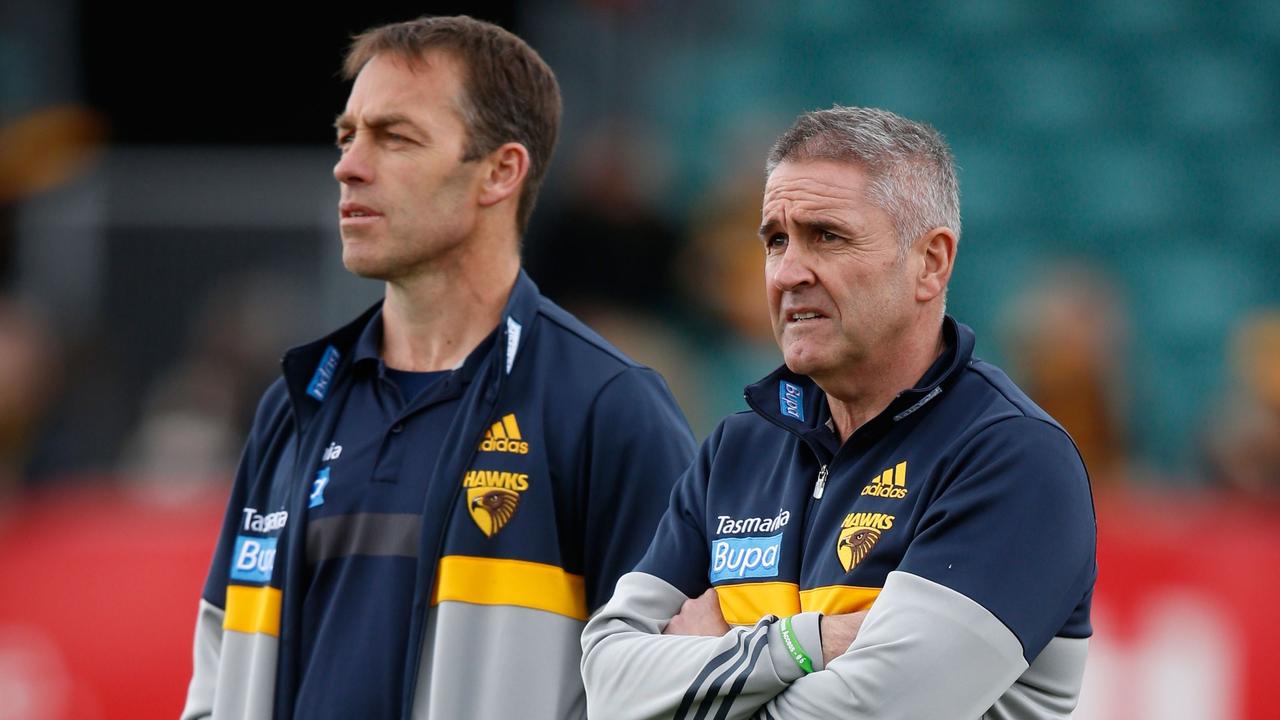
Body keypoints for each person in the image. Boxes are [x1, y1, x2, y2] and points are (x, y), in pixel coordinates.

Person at [180, 16, 696, 720]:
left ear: (500, 172)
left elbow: (672, 686)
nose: (348, 165)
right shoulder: (293, 405)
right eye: (347, 135)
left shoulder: (608, 406)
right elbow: (218, 672)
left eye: (395, 137)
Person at [581, 106, 1097, 719]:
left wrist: (701, 667)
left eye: (827, 236)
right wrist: (807, 644)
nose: (788, 273)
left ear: (930, 263)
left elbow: (869, 715)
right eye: (777, 240)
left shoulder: (1012, 457)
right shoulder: (736, 451)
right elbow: (608, 687)